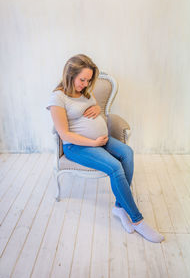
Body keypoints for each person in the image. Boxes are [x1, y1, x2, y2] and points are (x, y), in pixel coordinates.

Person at [46, 54, 164, 243]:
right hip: (77, 147)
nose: (86, 84)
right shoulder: (57, 98)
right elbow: (65, 135)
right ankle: (137, 220)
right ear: (70, 74)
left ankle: (119, 207)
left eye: (89, 80)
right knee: (115, 167)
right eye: (82, 79)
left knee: (127, 153)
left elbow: (93, 108)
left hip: (101, 139)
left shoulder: (85, 91)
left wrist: (94, 107)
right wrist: (93, 143)